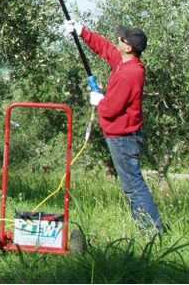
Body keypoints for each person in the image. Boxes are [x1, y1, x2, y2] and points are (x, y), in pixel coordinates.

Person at [62, 19, 163, 235]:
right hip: (122, 135)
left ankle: (153, 232)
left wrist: (99, 101)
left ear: (128, 47)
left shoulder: (130, 73)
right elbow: (106, 49)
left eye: (122, 38)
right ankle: (150, 229)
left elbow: (111, 108)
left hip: (123, 138)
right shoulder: (125, 63)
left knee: (133, 186)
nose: (118, 39)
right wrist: (82, 32)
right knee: (132, 185)